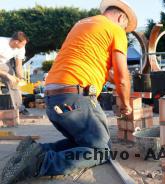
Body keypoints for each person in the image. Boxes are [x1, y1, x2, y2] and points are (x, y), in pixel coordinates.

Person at [1, 0, 137, 183]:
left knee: (83, 144)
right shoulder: (116, 30)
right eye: (125, 27)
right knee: (101, 150)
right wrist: (125, 104)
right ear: (121, 17)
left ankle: (35, 151)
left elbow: (102, 70)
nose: (124, 31)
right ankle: (39, 163)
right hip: (74, 97)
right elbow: (122, 76)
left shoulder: (83, 24)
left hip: (52, 97)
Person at [0, 31, 29, 115]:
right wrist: (7, 75)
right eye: (23, 44)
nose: (24, 46)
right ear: (16, 42)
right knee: (10, 77)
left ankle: (20, 108)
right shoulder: (1, 43)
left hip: (3, 64)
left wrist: (20, 77)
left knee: (13, 81)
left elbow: (18, 64)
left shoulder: (20, 48)